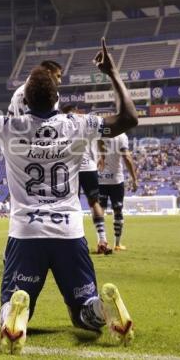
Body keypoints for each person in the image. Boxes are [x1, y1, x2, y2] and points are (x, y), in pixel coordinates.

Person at [0, 39, 138, 354]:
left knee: (11, 302)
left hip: (26, 232)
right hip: (69, 233)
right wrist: (113, 73)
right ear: (57, 98)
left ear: (26, 100)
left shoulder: (9, 125)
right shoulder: (78, 124)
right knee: (80, 314)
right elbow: (128, 120)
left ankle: (15, 316)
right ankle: (100, 309)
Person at [62, 105, 112, 255]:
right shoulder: (88, 121)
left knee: (72, 204)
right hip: (89, 167)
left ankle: (75, 242)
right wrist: (102, 156)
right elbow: (103, 135)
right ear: (77, 110)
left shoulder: (62, 122)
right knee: (94, 202)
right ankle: (102, 239)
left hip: (72, 169)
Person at [98, 134, 138, 251]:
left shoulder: (98, 134)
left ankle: (102, 242)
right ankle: (117, 244)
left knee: (100, 212)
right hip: (116, 180)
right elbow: (126, 157)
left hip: (100, 179)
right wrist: (134, 178)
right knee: (118, 211)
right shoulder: (121, 136)